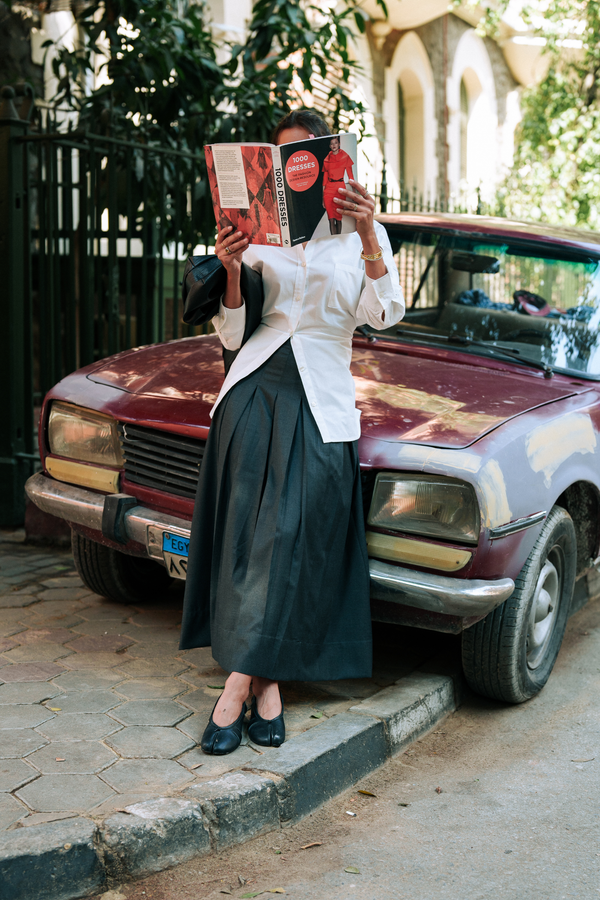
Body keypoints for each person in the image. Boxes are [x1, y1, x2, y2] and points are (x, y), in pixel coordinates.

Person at [179, 109, 405, 756]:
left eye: (305, 155)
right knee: (254, 544)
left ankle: (238, 686)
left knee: (287, 539)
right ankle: (268, 689)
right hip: (254, 388)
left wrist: (365, 231)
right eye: (282, 157)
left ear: (332, 163)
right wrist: (228, 267)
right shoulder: (259, 234)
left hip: (323, 398)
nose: (294, 168)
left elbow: (383, 313)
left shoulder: (364, 232)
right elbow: (232, 332)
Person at [322, 135, 355, 235]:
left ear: (339, 144)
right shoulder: (326, 159)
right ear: (329, 146)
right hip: (328, 190)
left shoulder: (345, 157)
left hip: (340, 188)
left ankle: (339, 240)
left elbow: (350, 175)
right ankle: (333, 240)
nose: (334, 145)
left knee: (338, 218)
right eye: (332, 143)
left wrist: (354, 192)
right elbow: (324, 179)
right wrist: (322, 198)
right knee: (331, 219)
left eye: (335, 143)